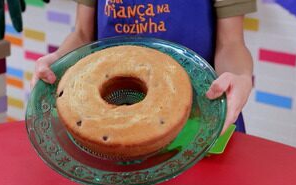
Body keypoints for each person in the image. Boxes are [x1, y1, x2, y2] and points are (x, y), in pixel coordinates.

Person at [32, 0, 256, 134]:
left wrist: (238, 76)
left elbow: (231, 43)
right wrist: (60, 59)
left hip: (197, 121)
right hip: (112, 121)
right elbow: (82, 33)